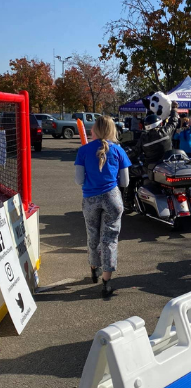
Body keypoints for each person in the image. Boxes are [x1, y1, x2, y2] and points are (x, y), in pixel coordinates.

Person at [74, 116, 132, 299]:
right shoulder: (119, 150)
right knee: (109, 239)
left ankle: (94, 267)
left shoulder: (83, 151)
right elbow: (125, 181)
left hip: (90, 198)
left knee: (92, 234)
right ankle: (107, 282)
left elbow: (79, 180)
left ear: (94, 130)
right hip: (112, 198)